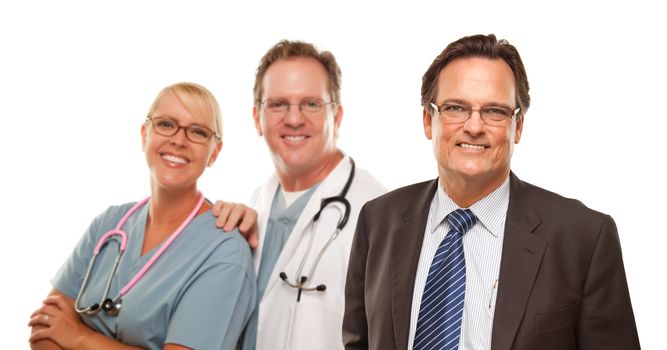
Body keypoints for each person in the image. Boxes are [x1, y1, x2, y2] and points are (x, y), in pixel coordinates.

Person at [343, 34, 640, 350]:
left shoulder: (583, 238)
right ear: (429, 120)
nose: (474, 127)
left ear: (518, 126)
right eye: (456, 108)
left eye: (495, 111)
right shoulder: (378, 221)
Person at [28, 82, 256, 350]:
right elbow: (45, 329)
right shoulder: (110, 224)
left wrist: (79, 337)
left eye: (197, 132)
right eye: (166, 124)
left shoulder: (224, 252)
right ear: (144, 134)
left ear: (214, 153)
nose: (179, 140)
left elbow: (63, 332)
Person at [215, 40, 385, 350]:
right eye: (278, 104)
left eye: (311, 104)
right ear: (257, 118)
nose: (294, 119)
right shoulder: (256, 204)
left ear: (337, 116)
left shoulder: (379, 215)